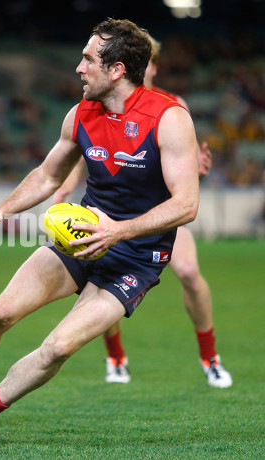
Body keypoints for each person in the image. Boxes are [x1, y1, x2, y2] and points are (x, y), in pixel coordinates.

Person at [0, 18, 200, 450]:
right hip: (79, 240)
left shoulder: (169, 118)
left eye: (88, 59)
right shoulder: (80, 114)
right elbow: (49, 175)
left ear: (117, 70)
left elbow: (186, 204)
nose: (78, 68)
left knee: (59, 347)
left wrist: (119, 231)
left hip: (137, 259)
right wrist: (2, 208)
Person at [53, 35, 233, 389]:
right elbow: (82, 150)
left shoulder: (172, 107)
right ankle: (116, 357)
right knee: (101, 277)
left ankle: (210, 357)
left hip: (160, 216)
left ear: (152, 67)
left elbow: (178, 166)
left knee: (190, 273)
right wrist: (63, 190)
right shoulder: (100, 103)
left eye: (152, 63)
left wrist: (196, 168)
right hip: (109, 213)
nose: (148, 69)